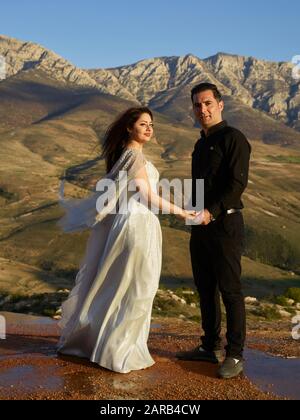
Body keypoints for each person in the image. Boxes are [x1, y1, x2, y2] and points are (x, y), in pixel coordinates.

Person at [56, 107, 196, 374]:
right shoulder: (133, 156)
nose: (149, 128)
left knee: (122, 285)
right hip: (137, 224)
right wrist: (181, 212)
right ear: (129, 128)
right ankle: (118, 350)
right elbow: (147, 197)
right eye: (143, 124)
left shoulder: (130, 155)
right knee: (137, 288)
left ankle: (103, 343)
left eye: (151, 124)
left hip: (131, 222)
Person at [177, 83, 251, 379]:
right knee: (205, 288)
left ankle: (235, 354)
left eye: (207, 103)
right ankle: (210, 346)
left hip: (225, 225)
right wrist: (191, 210)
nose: (202, 110)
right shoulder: (199, 144)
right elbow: (200, 186)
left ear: (220, 104)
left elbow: (237, 184)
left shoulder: (234, 139)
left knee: (230, 291)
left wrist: (211, 211)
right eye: (197, 105)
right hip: (200, 226)